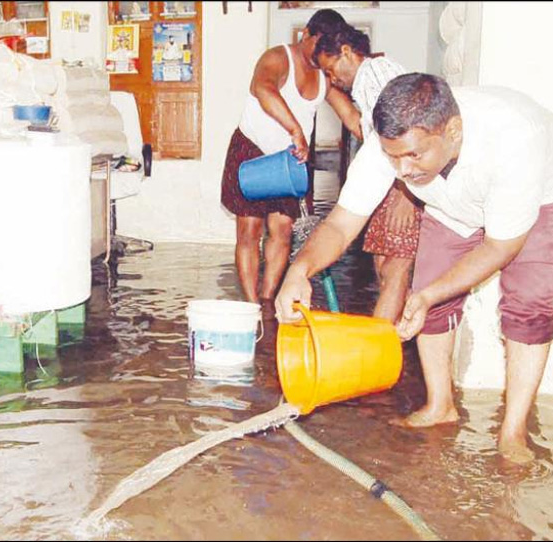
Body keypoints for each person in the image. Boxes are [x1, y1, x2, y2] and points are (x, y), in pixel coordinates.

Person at [275, 73, 553, 463]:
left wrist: (431, 293)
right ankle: (440, 406)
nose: (402, 171)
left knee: (530, 305)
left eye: (414, 156)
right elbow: (341, 224)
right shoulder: (386, 147)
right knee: (426, 294)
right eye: (394, 158)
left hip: (538, 200)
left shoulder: (513, 141)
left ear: (452, 132)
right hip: (449, 205)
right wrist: (298, 270)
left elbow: (500, 246)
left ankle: (513, 431)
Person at [220, 9, 361, 310]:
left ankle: (267, 301)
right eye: (317, 44)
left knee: (283, 231)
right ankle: (249, 303)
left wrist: (383, 136)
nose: (321, 53)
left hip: (288, 162)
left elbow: (350, 116)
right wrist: (296, 130)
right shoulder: (278, 57)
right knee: (249, 231)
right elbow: (263, 89)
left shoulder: (325, 74)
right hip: (252, 150)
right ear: (305, 35)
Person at [313, 24, 422, 324]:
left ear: (347, 52)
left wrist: (407, 197)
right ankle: (390, 343)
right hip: (391, 183)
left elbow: (404, 131)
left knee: (395, 267)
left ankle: (379, 346)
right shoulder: (364, 85)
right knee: (384, 268)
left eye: (332, 69)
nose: (333, 78)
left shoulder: (375, 72)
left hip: (404, 186)